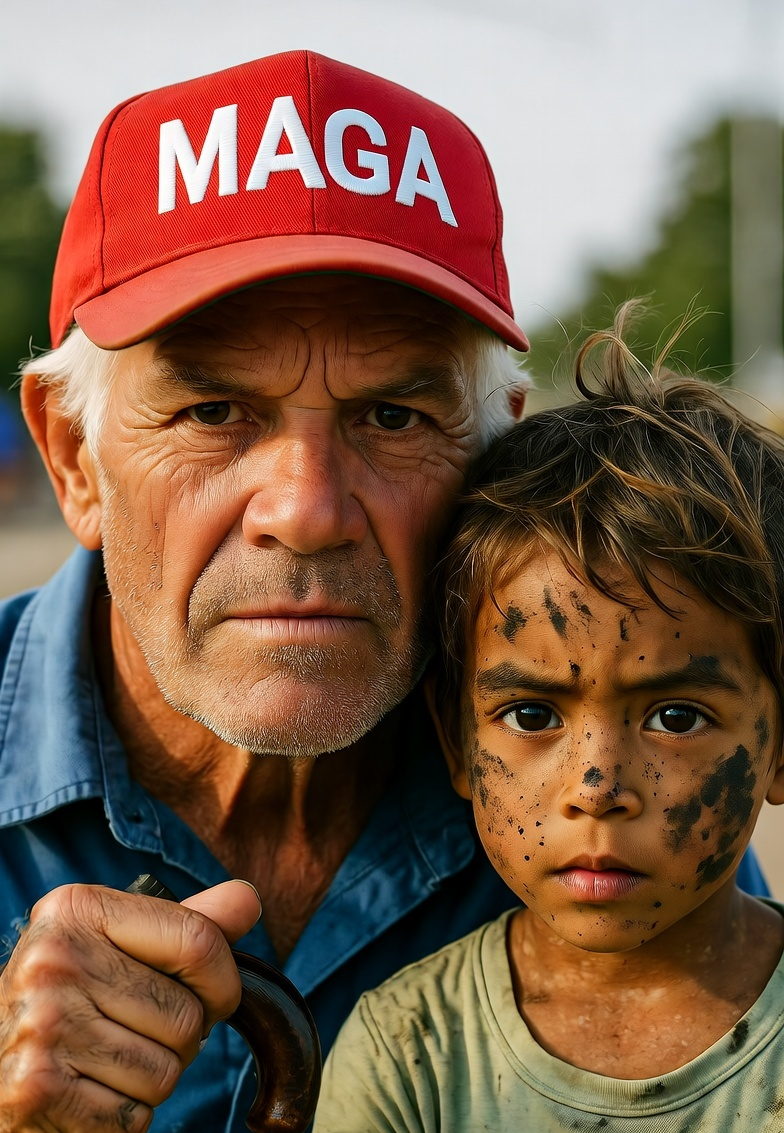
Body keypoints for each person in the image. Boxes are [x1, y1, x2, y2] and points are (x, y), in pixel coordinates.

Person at [0, 53, 765, 1132]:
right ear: (74, 458)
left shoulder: (593, 775)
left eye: (393, 417)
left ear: (489, 453)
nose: (308, 509)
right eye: (213, 412)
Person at [313, 306, 784, 1131]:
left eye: (676, 717)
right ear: (458, 740)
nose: (596, 787)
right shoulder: (407, 1053)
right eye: (532, 713)